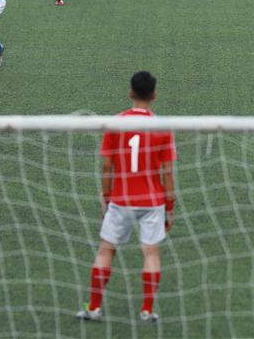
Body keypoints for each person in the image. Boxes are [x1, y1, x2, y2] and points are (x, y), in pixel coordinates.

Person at [77, 71, 177, 324]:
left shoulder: (116, 123)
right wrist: (170, 206)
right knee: (151, 253)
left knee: (106, 250)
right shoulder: (162, 128)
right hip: (153, 201)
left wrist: (107, 198)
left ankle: (94, 307)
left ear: (130, 93)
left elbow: (107, 167)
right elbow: (168, 172)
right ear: (154, 95)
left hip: (120, 200)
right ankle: (147, 310)